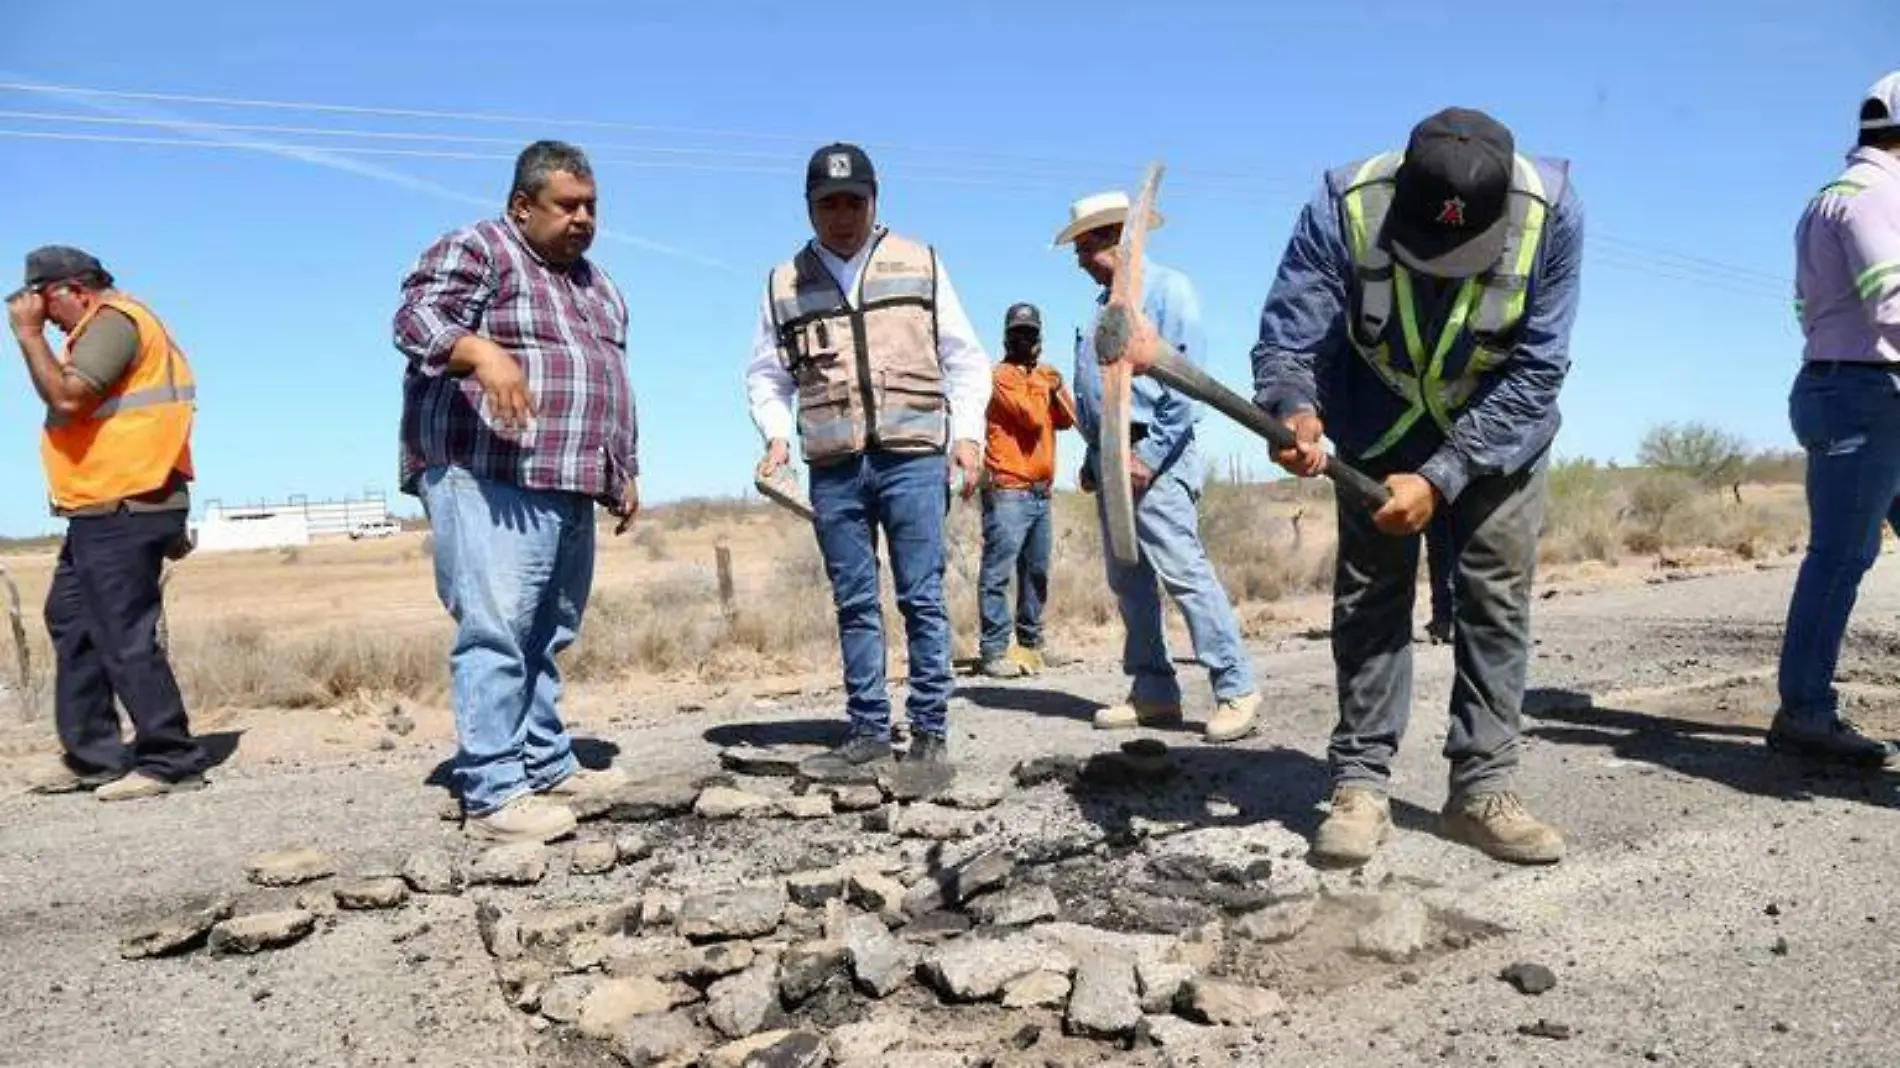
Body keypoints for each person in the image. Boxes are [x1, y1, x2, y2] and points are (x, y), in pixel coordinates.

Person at [1253, 107, 1583, 867]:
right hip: (1375, 416)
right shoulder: (1343, 206)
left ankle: (1482, 790)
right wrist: (1295, 412)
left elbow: (1538, 370)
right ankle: (1362, 784)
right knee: (1370, 599)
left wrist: (1443, 475)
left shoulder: (1554, 215)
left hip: (1500, 427)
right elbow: (1289, 332)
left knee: (1493, 596)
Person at [393, 140, 638, 844]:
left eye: (592, 205)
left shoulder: (598, 285)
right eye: (568, 205)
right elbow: (416, 319)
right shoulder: (480, 248)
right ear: (521, 205)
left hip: (567, 476)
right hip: (486, 469)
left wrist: (623, 467)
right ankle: (495, 788)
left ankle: (546, 762)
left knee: (546, 632)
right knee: (496, 628)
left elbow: (608, 377)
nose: (584, 218)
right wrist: (479, 350)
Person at [747, 142, 991, 781]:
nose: (842, 215)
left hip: (912, 459)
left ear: (874, 200)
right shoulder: (783, 283)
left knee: (921, 597)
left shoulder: (921, 264)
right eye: (828, 204)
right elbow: (766, 376)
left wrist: (966, 436)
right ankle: (868, 733)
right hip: (834, 467)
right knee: (854, 601)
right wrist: (776, 435)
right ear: (809, 208)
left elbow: (965, 358)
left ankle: (931, 735)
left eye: (853, 201)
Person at [1058, 191, 1263, 744]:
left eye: (1085, 246)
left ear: (1116, 239)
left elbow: (1186, 382)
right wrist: (1092, 455)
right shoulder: (1103, 305)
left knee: (1182, 571)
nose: (1079, 258)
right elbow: (1102, 390)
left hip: (1156, 456)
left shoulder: (1168, 290)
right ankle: (1152, 691)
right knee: (1129, 580)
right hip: (1111, 460)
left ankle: (1236, 687)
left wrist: (1149, 456)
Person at [10, 246, 207, 801]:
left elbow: (70, 397)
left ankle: (172, 759)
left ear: (76, 289)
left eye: (45, 302)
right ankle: (94, 756)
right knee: (72, 621)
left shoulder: (114, 323)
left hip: (130, 499)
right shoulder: (97, 327)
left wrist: (28, 338)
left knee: (123, 633)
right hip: (101, 503)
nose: (42, 316)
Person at [1769, 71, 1900, 767]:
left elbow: (1803, 308)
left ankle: (1805, 706)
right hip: (1870, 395)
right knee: (1842, 557)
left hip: (1848, 385)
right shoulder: (1882, 195)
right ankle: (1805, 713)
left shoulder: (1828, 198)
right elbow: (1893, 302)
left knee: (1840, 556)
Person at [976, 302, 1077, 678]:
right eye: (1018, 333)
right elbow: (1032, 419)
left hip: (1039, 491)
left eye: (1030, 333)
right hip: (1008, 489)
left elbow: (1066, 419)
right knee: (998, 572)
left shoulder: (1043, 379)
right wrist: (1043, 383)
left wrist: (1058, 384)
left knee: (1036, 572)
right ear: (1006, 336)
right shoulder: (1000, 376)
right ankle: (993, 650)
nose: (1024, 339)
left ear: (1039, 338)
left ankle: (1032, 644)